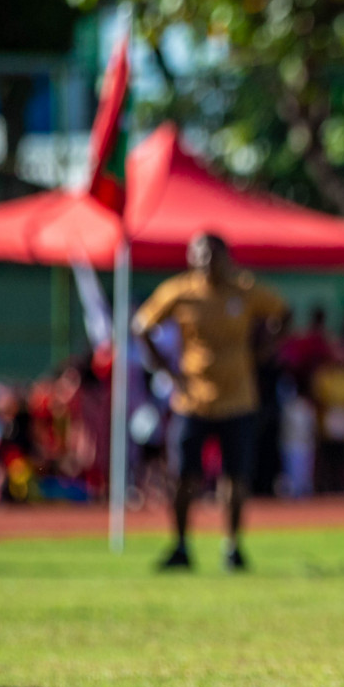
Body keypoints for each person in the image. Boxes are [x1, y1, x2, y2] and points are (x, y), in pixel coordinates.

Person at [132, 232, 286, 571]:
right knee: (184, 476)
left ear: (226, 258)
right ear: (190, 258)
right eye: (200, 256)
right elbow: (141, 325)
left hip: (238, 399)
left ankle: (232, 547)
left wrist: (265, 349)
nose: (207, 263)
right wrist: (168, 373)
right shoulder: (180, 291)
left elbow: (282, 312)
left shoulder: (244, 290)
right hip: (192, 400)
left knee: (235, 477)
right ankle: (182, 546)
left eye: (213, 256)